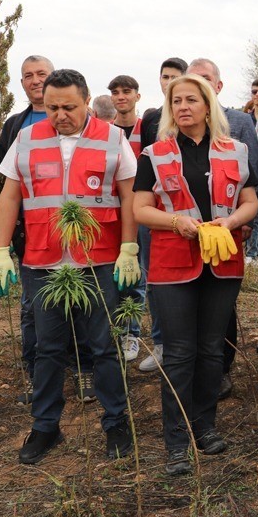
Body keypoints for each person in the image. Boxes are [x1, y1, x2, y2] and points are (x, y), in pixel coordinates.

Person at [0, 69, 140, 465]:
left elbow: (129, 196)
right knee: (47, 347)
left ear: (87, 102)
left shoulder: (112, 138)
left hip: (100, 260)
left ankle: (116, 422)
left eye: (69, 107)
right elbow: (10, 197)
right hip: (43, 261)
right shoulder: (25, 138)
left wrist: (129, 247)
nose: (60, 115)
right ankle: (45, 426)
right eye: (53, 107)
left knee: (104, 345)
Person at [133, 74, 258, 476]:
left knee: (210, 350)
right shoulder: (153, 153)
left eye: (191, 99)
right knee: (180, 352)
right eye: (176, 101)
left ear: (208, 105)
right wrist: (175, 222)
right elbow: (140, 209)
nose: (184, 106)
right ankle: (176, 440)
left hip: (223, 260)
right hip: (173, 263)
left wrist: (231, 221)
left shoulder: (236, 150)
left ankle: (205, 426)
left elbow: (251, 200)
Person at [0, 56, 96, 404]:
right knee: (35, 311)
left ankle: (85, 372)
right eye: (28, 76)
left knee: (84, 309)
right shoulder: (17, 127)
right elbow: (6, 186)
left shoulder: (96, 131)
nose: (35, 80)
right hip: (34, 239)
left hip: (86, 242)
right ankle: (38, 378)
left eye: (41, 74)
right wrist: (1, 246)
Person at [185, 58, 258, 398]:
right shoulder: (175, 123)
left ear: (218, 85)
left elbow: (250, 174)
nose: (198, 85)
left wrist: (243, 224)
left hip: (228, 231)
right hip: (183, 236)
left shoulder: (240, 122)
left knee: (220, 307)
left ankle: (222, 367)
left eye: (205, 79)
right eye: (192, 79)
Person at [135, 57, 188, 374]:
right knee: (153, 278)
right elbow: (145, 165)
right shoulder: (152, 117)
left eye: (175, 77)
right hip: (155, 212)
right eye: (164, 76)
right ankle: (161, 344)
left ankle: (185, 344)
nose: (168, 82)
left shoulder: (195, 116)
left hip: (189, 212)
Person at [108, 75, 145, 363]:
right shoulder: (105, 134)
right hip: (114, 213)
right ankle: (116, 331)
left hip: (144, 211)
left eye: (127, 91)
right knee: (116, 276)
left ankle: (133, 333)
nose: (121, 96)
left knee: (138, 276)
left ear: (137, 96)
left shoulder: (149, 128)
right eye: (116, 92)